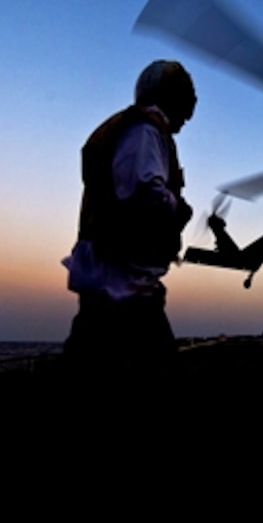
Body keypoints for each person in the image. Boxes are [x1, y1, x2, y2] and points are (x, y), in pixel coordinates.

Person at [62, 60, 196, 378]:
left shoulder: (126, 128)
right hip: (124, 286)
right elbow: (145, 188)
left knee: (87, 363)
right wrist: (178, 208)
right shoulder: (147, 130)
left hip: (112, 279)